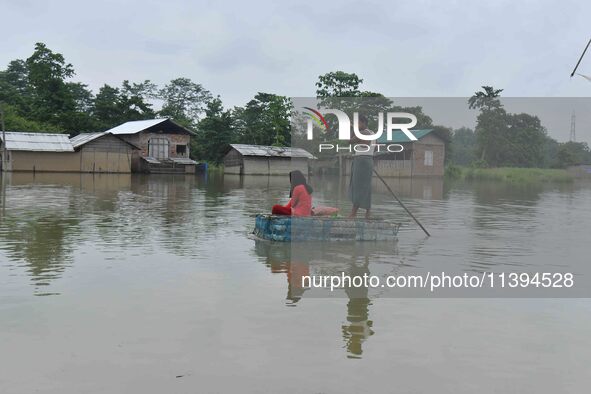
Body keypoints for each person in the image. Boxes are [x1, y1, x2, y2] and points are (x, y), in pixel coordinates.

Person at [349, 114, 375, 219]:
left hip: (361, 161)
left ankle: (353, 214)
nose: (357, 125)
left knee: (357, 187)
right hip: (368, 160)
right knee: (366, 187)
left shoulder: (364, 133)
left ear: (364, 123)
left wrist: (353, 130)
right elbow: (375, 148)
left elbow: (349, 141)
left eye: (358, 123)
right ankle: (367, 213)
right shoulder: (372, 133)